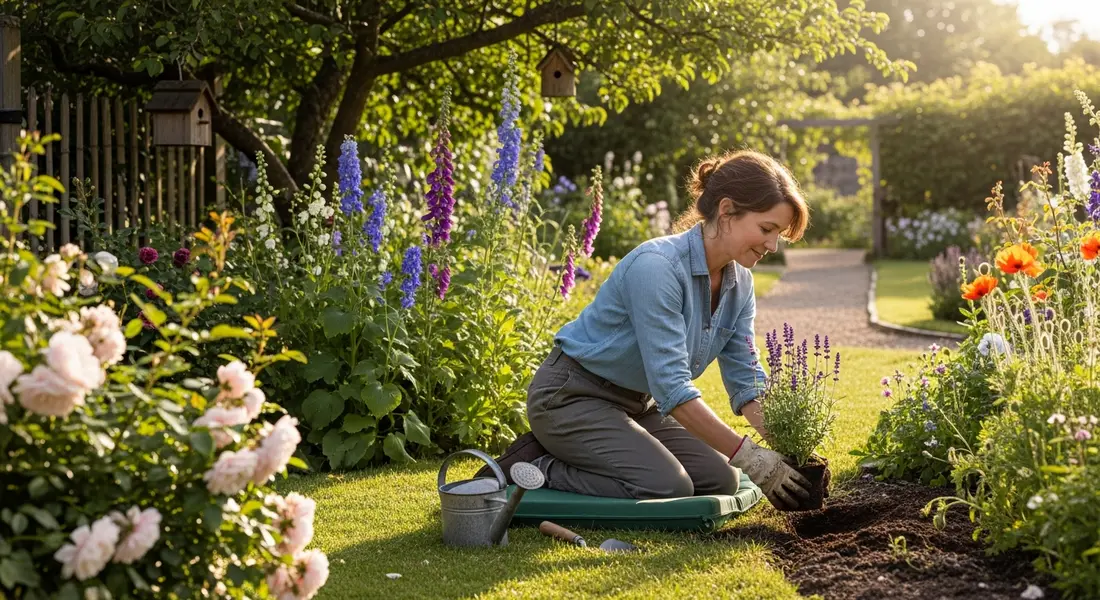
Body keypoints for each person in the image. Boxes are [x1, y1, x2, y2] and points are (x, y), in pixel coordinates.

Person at [478, 150, 813, 509]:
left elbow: (746, 379)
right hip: (571, 397)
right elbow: (672, 387)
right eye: (766, 229)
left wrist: (788, 447)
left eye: (778, 234)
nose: (772, 246)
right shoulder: (658, 268)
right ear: (727, 211)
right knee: (667, 486)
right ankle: (531, 465)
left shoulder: (740, 284)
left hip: (636, 404)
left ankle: (594, 451)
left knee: (721, 478)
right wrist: (748, 454)